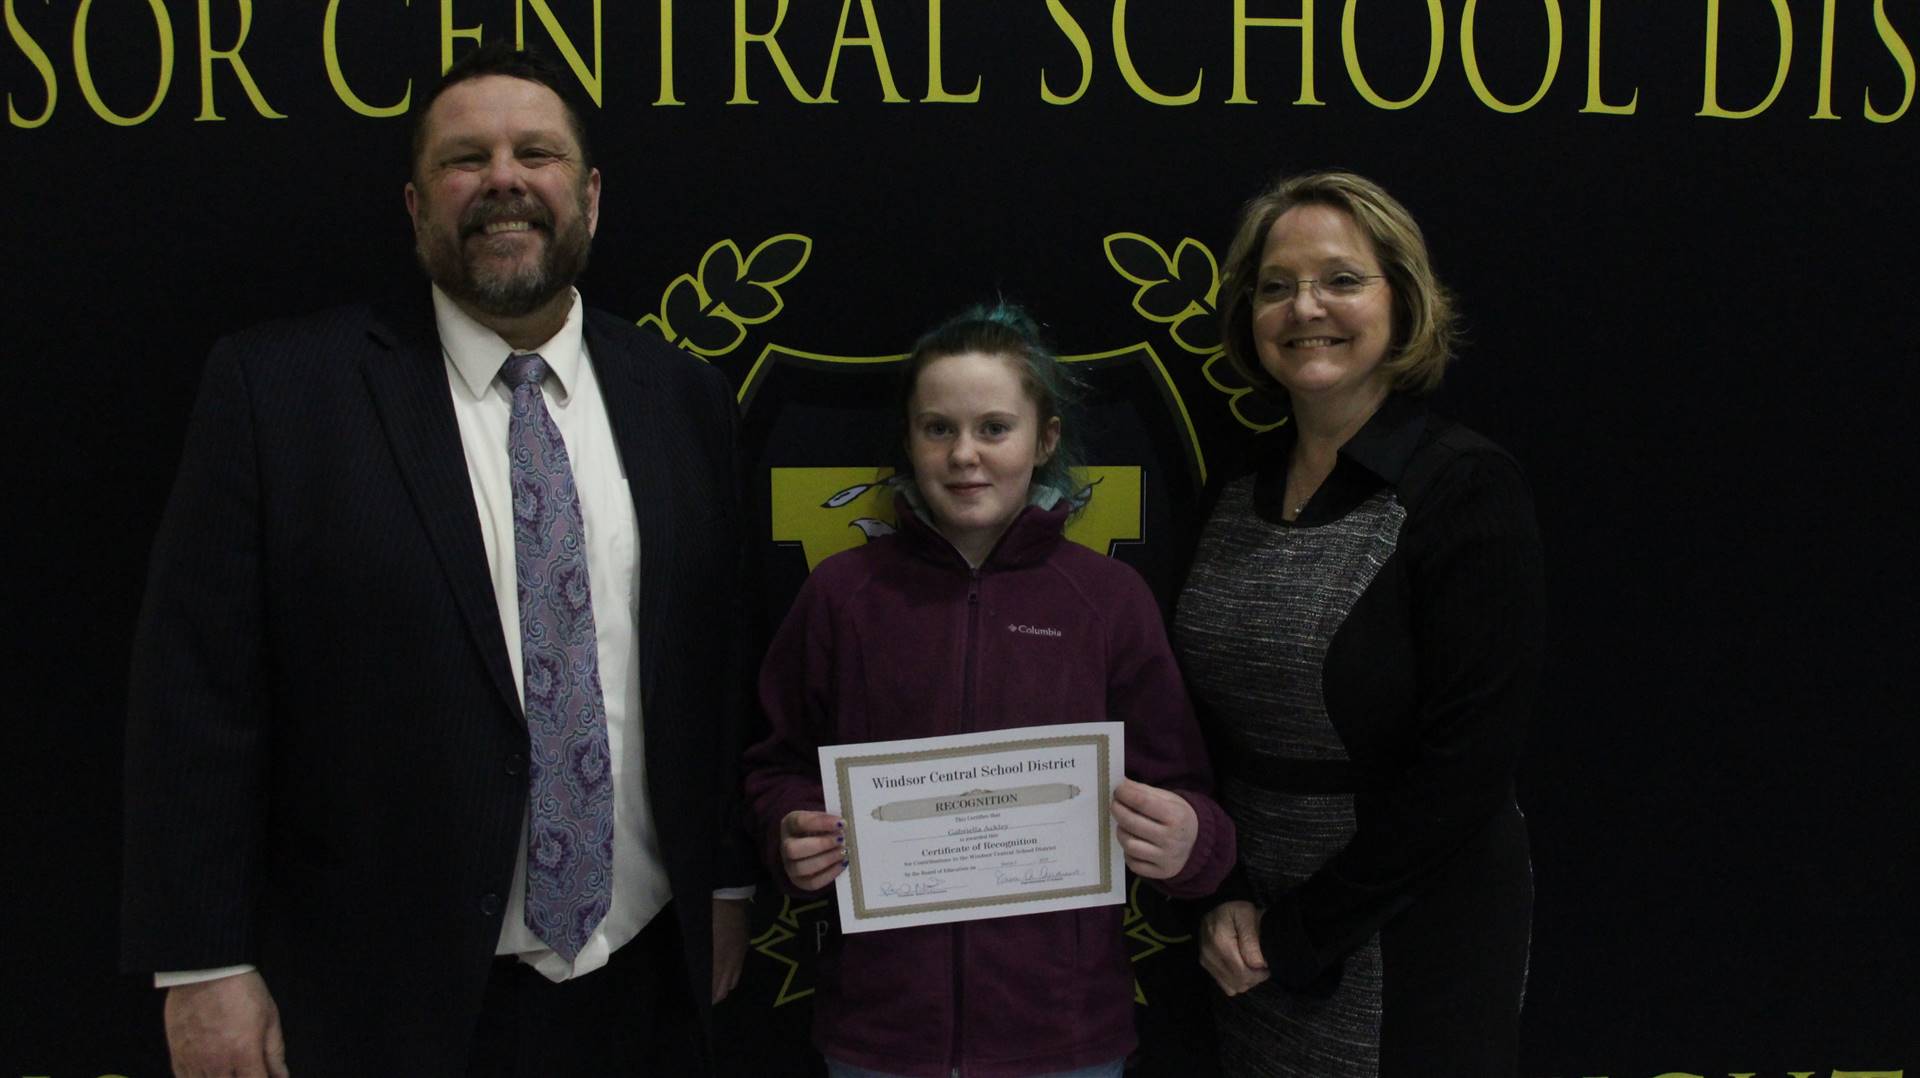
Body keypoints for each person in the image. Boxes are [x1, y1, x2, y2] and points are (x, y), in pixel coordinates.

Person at [121, 43, 754, 1077]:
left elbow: (716, 656)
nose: (504, 177)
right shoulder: (279, 394)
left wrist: (722, 883)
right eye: (467, 159)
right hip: (385, 992)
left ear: (588, 196)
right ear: (416, 205)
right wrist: (201, 961)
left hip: (644, 973)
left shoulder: (682, 393)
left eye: (536, 152)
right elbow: (199, 694)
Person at [743, 304, 1236, 1078]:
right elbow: (777, 765)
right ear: (908, 440)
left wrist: (1189, 844)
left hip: (1065, 1036)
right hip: (881, 1036)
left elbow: (1187, 795)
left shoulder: (1107, 599)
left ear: (1043, 440)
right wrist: (785, 833)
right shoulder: (842, 595)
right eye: (938, 428)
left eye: (994, 428)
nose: (965, 455)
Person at [1176, 171, 1545, 1076]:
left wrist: (1304, 931)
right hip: (1245, 931)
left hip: (1413, 930)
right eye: (1275, 285)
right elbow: (1194, 721)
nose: (1306, 306)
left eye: (1342, 279)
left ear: (1404, 301)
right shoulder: (1233, 489)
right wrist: (1222, 890)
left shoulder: (1464, 488)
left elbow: (1468, 765)